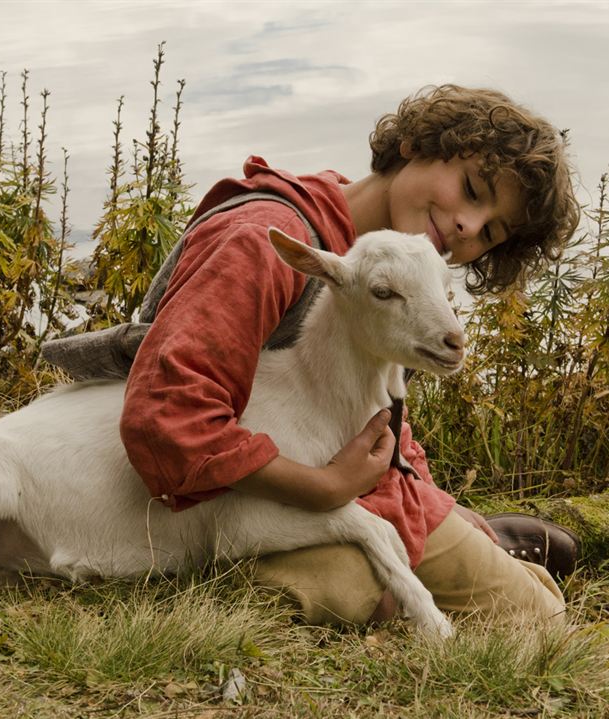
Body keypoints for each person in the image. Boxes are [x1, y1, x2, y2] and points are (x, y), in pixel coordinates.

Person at [114, 84, 581, 627]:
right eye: (472, 190)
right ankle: (416, 565)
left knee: (535, 603)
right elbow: (168, 413)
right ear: (414, 145)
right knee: (514, 609)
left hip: (318, 492)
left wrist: (429, 497)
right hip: (223, 501)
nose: (468, 228)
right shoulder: (268, 239)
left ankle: (462, 537)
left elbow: (373, 400)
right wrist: (326, 488)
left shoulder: (393, 258)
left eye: (491, 232)